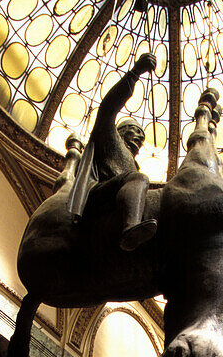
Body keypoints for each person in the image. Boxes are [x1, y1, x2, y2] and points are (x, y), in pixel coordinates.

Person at [67, 52, 158, 251]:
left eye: (142, 138)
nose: (139, 139)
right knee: (139, 179)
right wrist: (135, 73)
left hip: (115, 200)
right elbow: (108, 106)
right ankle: (130, 229)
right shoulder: (108, 136)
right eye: (135, 132)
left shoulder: (134, 163)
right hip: (97, 197)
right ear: (120, 131)